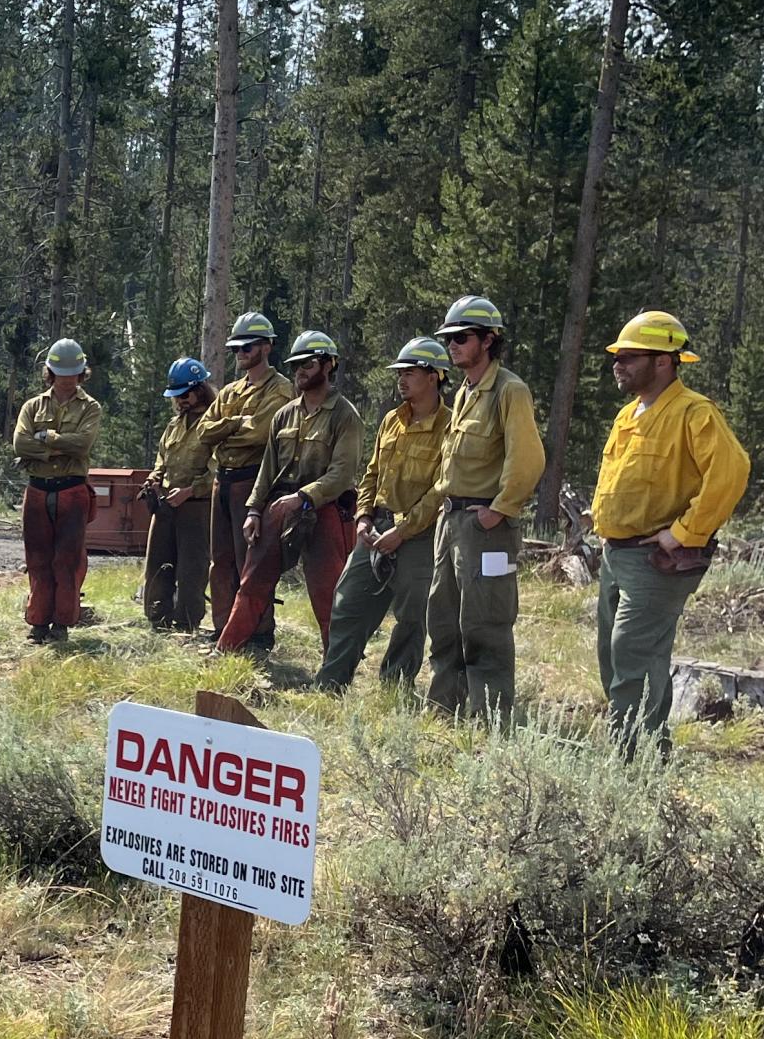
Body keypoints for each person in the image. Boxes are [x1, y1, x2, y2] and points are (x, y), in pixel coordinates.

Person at [589, 312, 752, 757]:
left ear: (664, 361)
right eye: (617, 357)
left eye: (628, 357)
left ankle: (629, 759)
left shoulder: (693, 412)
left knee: (632, 654)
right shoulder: (628, 414)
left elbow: (731, 472)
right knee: (615, 654)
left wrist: (684, 533)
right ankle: (648, 750)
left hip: (654, 561)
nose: (617, 364)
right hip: (615, 555)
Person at [426, 294, 545, 724]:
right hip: (452, 521)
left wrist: (500, 509)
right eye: (448, 338)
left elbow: (528, 458)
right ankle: (444, 708)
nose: (452, 345)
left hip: (485, 527)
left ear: (489, 339)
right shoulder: (465, 391)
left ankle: (489, 718)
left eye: (462, 337)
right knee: (443, 618)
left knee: (486, 624)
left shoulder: (509, 390)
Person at [316, 337, 450, 692]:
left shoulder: (450, 426)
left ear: (434, 376)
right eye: (399, 373)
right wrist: (363, 516)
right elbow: (372, 473)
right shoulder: (392, 420)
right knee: (347, 603)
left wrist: (403, 531)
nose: (401, 379)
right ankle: (331, 683)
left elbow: (441, 488)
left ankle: (394, 689)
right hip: (377, 527)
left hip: (420, 535)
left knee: (411, 616)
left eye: (410, 372)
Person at [216, 331, 361, 656]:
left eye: (307, 364)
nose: (300, 371)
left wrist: (303, 498)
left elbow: (342, 474)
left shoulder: (344, 415)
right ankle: (227, 652)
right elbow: (267, 470)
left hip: (324, 509)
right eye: (296, 365)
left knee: (328, 592)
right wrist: (254, 510)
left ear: (328, 365)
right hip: (278, 507)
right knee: (252, 583)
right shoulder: (285, 415)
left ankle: (336, 666)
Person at [197, 312, 293, 646]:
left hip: (253, 482)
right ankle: (223, 629)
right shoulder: (230, 391)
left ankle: (259, 632)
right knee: (221, 561)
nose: (240, 352)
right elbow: (203, 431)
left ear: (266, 347)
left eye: (247, 346)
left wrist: (227, 428)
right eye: (236, 347)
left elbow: (259, 434)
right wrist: (235, 424)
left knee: (251, 563)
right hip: (222, 482)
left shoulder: (280, 391)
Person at [12, 338, 101, 643]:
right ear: (49, 372)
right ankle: (38, 623)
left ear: (81, 373)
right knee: (37, 560)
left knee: (67, 560)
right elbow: (19, 443)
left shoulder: (91, 408)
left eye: (72, 372)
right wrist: (60, 447)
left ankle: (61, 625)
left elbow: (83, 444)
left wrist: (46, 438)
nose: (66, 378)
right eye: (61, 372)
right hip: (37, 491)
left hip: (72, 491)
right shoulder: (32, 406)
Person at [141, 357, 212, 632]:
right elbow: (162, 458)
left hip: (197, 506)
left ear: (199, 390)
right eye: (176, 396)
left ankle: (187, 624)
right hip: (166, 505)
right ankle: (158, 618)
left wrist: (191, 491)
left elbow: (216, 468)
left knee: (191, 570)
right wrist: (153, 479)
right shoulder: (174, 425)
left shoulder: (213, 425)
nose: (180, 401)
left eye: (185, 395)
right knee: (158, 565)